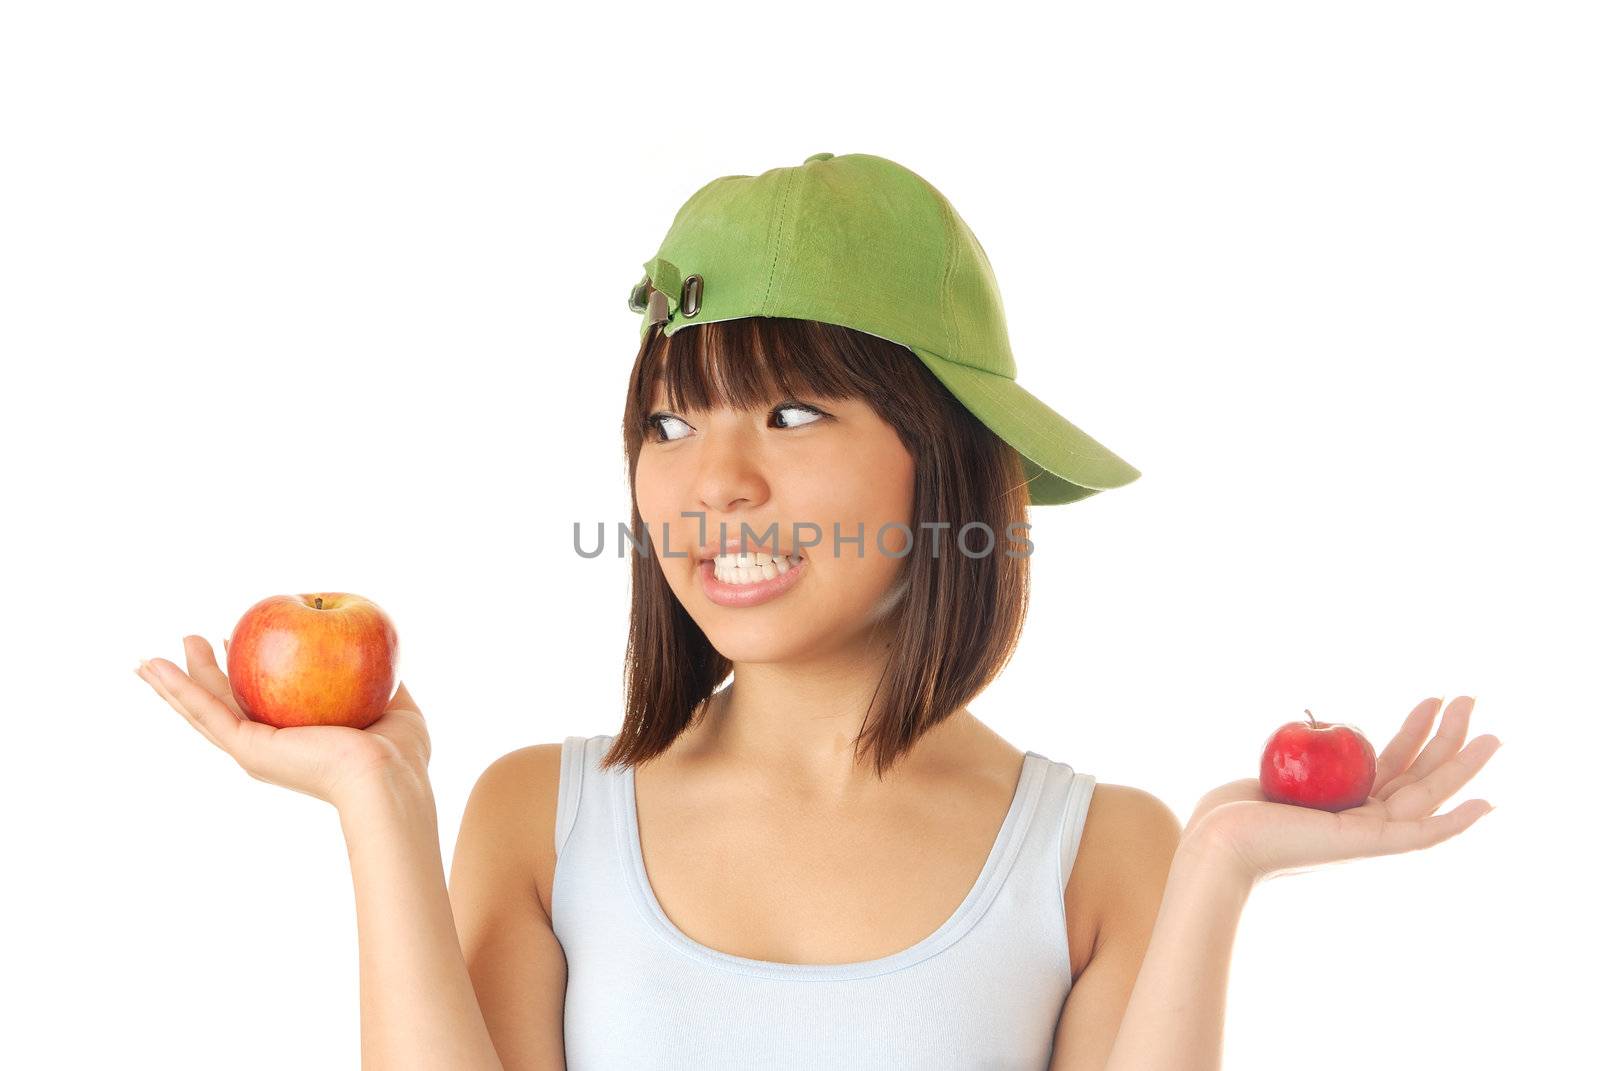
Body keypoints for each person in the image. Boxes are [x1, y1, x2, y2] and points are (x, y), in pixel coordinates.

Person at [135, 152, 1501, 1070]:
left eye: (792, 411)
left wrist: (1215, 876)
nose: (713, 482)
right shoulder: (535, 822)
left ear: (950, 453)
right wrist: (381, 806)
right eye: (670, 420)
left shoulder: (1100, 857)